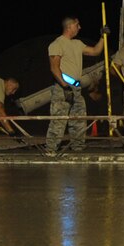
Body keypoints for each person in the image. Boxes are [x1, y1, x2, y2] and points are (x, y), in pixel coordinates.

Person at [44, 16, 107, 155]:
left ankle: (78, 147)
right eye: (77, 25)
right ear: (70, 26)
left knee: (78, 119)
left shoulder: (77, 44)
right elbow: (54, 68)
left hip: (76, 88)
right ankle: (51, 150)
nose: (80, 27)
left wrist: (102, 37)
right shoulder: (57, 44)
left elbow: (95, 51)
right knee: (59, 120)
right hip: (63, 87)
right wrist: (64, 85)